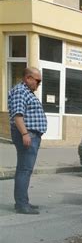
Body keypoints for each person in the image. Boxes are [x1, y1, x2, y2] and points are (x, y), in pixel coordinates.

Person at [8, 67, 47, 215]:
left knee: (24, 169)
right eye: (37, 81)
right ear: (28, 78)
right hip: (27, 135)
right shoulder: (20, 91)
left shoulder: (26, 92)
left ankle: (23, 201)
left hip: (31, 135)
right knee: (24, 170)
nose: (39, 84)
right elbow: (17, 115)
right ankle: (21, 205)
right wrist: (25, 134)